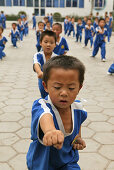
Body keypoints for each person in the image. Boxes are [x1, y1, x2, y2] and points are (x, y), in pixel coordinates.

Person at [26, 55, 87, 170]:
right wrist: (50, 131)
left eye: (71, 88)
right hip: (42, 163)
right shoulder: (41, 105)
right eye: (57, 87)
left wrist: (78, 138)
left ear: (79, 88)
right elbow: (45, 116)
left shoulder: (79, 109)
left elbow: (78, 122)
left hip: (68, 162)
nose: (64, 93)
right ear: (45, 86)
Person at [33, 30, 57, 98]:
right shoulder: (38, 55)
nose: (48, 45)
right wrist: (39, 72)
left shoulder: (57, 57)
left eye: (51, 42)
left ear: (55, 44)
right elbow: (36, 64)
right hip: (42, 79)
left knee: (53, 97)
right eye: (46, 42)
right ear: (40, 43)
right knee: (44, 97)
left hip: (54, 81)